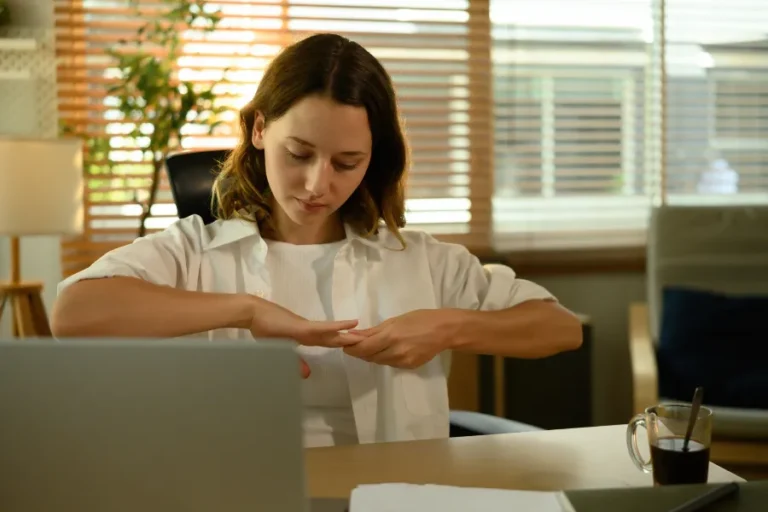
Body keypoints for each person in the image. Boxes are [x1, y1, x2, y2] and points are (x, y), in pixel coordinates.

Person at [52, 33, 582, 447]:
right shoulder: (194, 251)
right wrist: (247, 311)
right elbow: (74, 312)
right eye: (299, 154)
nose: (316, 185)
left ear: (373, 158)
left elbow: (559, 329)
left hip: (393, 491)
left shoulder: (420, 259)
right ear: (260, 130)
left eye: (346, 162)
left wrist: (447, 327)